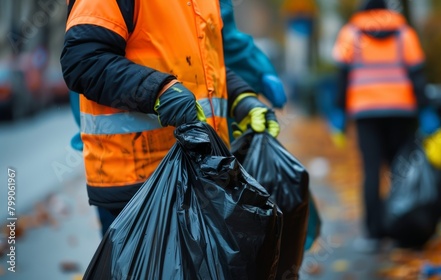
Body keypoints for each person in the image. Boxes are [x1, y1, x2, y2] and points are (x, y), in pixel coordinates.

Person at [60, 0, 280, 235]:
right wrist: (159, 91)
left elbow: (203, 66)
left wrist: (241, 97)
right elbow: (83, 60)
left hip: (203, 177)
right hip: (138, 187)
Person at [330, 0, 441, 252]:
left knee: (371, 171)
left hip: (365, 112)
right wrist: (426, 112)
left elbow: (342, 78)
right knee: (401, 169)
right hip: (400, 111)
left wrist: (339, 114)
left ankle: (374, 233)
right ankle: (400, 223)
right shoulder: (404, 32)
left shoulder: (350, 33)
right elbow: (417, 76)